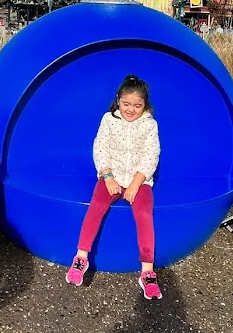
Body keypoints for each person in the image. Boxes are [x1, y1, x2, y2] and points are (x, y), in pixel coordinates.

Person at [65, 74, 162, 299]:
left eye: (137, 106)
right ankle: (81, 257)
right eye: (126, 104)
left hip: (139, 180)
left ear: (145, 105)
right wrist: (108, 176)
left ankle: (147, 271)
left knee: (144, 216)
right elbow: (100, 148)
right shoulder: (109, 120)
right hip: (112, 177)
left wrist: (136, 184)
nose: (131, 110)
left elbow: (151, 155)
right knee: (96, 207)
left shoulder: (150, 125)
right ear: (118, 100)